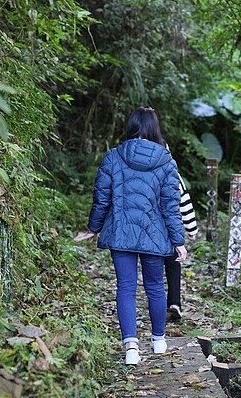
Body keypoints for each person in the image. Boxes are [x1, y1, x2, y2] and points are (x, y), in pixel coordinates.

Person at [74, 107, 187, 365]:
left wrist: (93, 228)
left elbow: (101, 198)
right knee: (156, 287)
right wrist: (178, 241)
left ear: (131, 126)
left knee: (126, 287)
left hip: (121, 232)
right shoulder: (167, 161)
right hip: (154, 235)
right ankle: (159, 342)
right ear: (154, 128)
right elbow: (171, 206)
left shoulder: (113, 157)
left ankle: (131, 349)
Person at [165, 172, 198, 320]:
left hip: (148, 230)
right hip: (170, 230)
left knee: (153, 270)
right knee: (173, 264)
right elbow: (184, 201)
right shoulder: (172, 173)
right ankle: (174, 302)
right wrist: (191, 229)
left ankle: (157, 304)